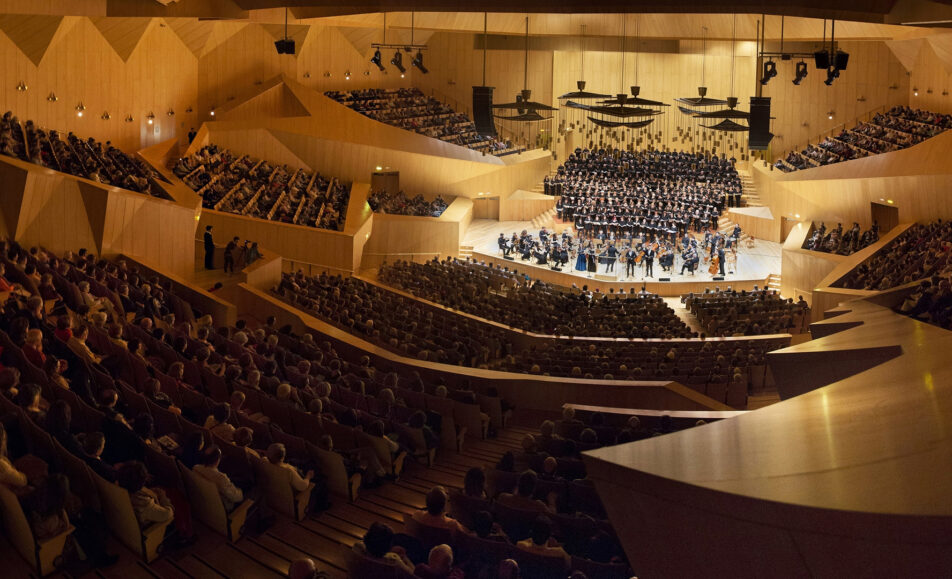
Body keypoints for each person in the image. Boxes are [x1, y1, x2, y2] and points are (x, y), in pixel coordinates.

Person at [193, 445, 244, 511]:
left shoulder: (196, 468)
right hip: (223, 507)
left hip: (205, 500)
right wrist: (241, 492)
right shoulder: (220, 478)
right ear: (217, 460)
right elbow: (235, 497)